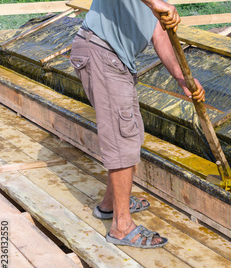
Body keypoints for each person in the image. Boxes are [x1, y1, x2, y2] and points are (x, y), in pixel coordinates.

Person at [70, 0, 205, 249]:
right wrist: (157, 3)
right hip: (103, 51)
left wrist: (180, 76)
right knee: (122, 139)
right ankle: (122, 227)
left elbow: (158, 33)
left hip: (115, 59)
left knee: (130, 134)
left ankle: (111, 205)